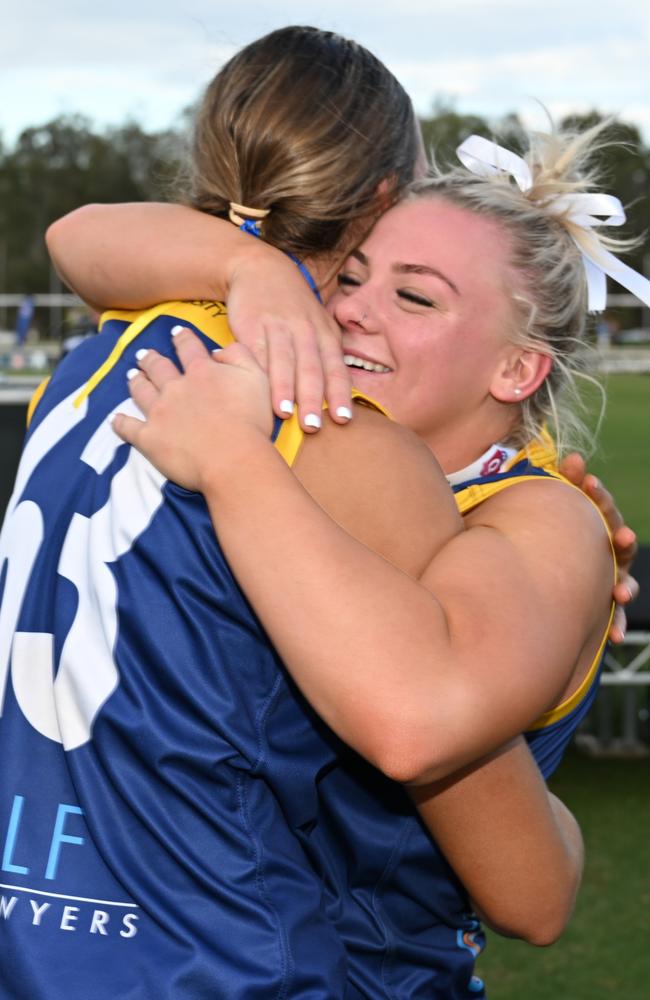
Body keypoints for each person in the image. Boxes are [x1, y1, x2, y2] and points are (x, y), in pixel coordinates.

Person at [55, 107, 644, 996]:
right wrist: (254, 270)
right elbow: (80, 237)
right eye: (351, 276)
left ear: (517, 370)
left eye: (415, 297)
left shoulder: (543, 522)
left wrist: (232, 464)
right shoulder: (315, 437)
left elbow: (531, 893)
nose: (351, 312)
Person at [0, 26, 456, 1000]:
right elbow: (452, 718)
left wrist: (245, 267)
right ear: (384, 198)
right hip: (213, 956)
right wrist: (550, 538)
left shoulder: (91, 359)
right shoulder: (321, 419)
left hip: (37, 937)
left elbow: (80, 235)